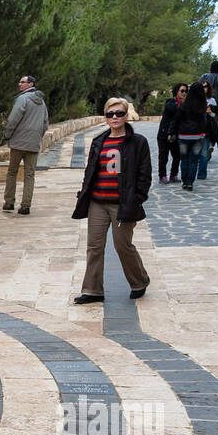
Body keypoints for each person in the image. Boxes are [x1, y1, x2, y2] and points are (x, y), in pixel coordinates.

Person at [72, 96, 152, 303]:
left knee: (122, 245)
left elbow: (145, 175)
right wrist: (83, 193)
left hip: (123, 204)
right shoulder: (99, 141)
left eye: (119, 113)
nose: (114, 117)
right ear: (105, 117)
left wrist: (136, 199)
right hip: (97, 202)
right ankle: (92, 290)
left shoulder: (138, 142)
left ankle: (139, 281)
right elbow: (91, 171)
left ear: (126, 115)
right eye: (110, 114)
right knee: (94, 247)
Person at [1, 74, 49, 216]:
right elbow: (45, 124)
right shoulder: (42, 102)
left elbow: (13, 119)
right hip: (33, 144)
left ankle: (9, 203)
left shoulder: (22, 99)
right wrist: (36, 137)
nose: (19, 84)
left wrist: (7, 135)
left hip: (18, 143)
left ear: (31, 84)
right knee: (30, 175)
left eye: (23, 82)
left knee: (12, 173)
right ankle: (25, 206)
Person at [171, 81, 210, 190]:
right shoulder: (202, 105)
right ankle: (190, 183)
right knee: (194, 160)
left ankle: (184, 181)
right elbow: (204, 122)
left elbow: (176, 120)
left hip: (183, 136)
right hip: (197, 136)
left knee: (184, 159)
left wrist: (171, 132)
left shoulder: (184, 104)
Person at [157, 82, 186, 182]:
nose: (184, 93)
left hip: (177, 135)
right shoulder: (170, 102)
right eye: (182, 91)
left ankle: (174, 175)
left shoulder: (184, 104)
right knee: (163, 157)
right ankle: (162, 176)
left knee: (177, 156)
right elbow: (174, 111)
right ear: (176, 91)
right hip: (164, 134)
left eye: (186, 91)